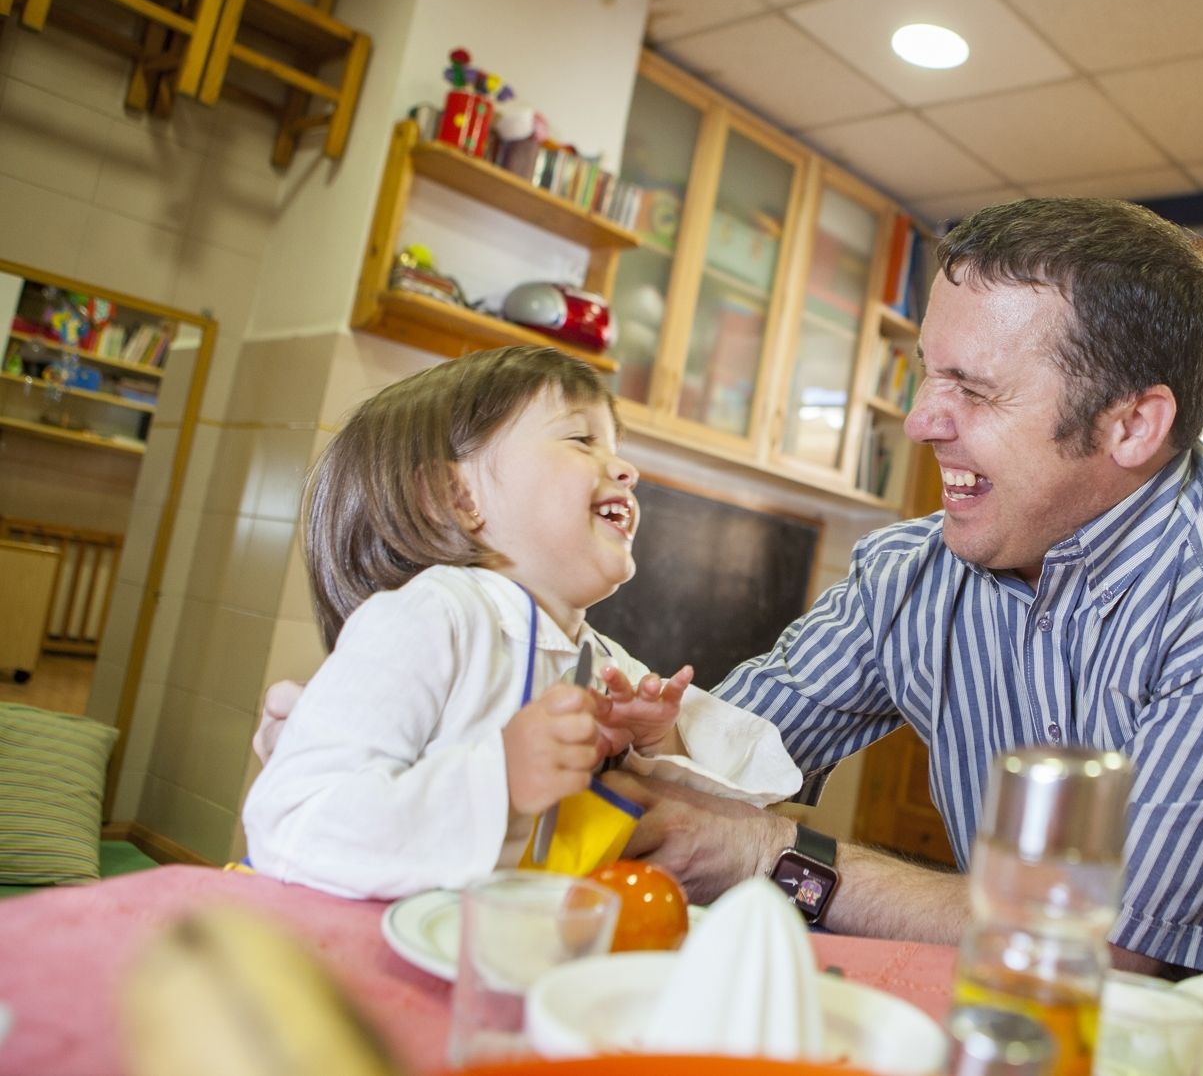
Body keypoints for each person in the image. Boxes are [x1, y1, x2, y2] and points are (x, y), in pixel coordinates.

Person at [255, 202, 1203, 1074]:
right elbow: (733, 745)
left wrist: (772, 855)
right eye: (926, 375)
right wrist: (409, 752)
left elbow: (1130, 943)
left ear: (1130, 426)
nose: (918, 424)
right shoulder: (917, 568)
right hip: (1006, 942)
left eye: (967, 388)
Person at [242, 346, 797, 900]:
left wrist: (657, 742)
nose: (628, 470)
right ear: (456, 498)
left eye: (615, 447)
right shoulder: (433, 617)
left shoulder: (602, 661)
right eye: (582, 440)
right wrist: (501, 776)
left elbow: (744, 815)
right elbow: (291, 820)